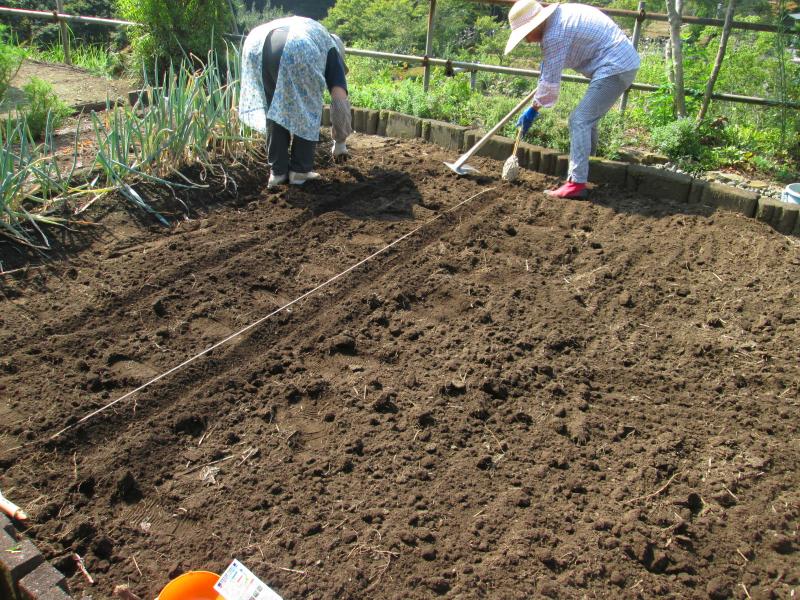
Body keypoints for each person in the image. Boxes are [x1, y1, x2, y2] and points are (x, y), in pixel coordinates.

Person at [504, 0, 640, 199]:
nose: (526, 41)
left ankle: (576, 183)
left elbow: (550, 86)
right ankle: (589, 166)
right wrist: (541, 87)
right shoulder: (560, 17)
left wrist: (533, 110)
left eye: (525, 34)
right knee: (588, 119)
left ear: (536, 24)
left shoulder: (554, 34)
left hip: (616, 67)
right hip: (621, 62)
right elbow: (549, 68)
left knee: (579, 119)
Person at [239, 17, 353, 189]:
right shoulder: (330, 49)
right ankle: (300, 171)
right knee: (308, 107)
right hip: (297, 47)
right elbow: (339, 99)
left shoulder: (313, 31)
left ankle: (278, 173)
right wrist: (340, 142)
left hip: (256, 44)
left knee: (273, 108)